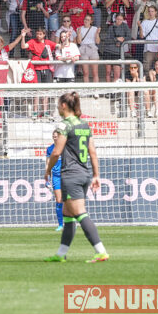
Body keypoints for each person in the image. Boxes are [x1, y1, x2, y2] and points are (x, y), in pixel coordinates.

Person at [44, 91, 109, 263]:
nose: (58, 107)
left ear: (64, 106)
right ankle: (60, 254)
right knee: (67, 214)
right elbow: (92, 152)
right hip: (84, 173)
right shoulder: (84, 125)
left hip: (70, 175)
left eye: (58, 104)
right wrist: (96, 174)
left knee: (79, 213)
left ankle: (100, 250)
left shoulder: (65, 125)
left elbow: (57, 152)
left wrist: (48, 170)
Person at [45, 127, 63, 229]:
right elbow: (47, 164)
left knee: (69, 200)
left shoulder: (65, 147)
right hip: (56, 176)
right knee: (59, 200)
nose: (55, 138)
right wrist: (47, 176)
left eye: (56, 136)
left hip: (67, 175)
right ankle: (60, 224)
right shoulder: (50, 149)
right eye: (53, 136)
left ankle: (71, 223)